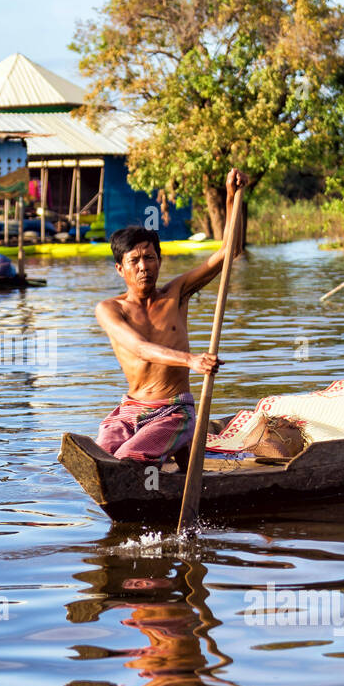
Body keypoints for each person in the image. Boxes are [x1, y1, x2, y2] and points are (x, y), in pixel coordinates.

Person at [93, 168, 247, 466]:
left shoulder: (176, 293)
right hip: (130, 409)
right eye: (134, 261)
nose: (143, 267)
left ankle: (161, 463)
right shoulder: (110, 309)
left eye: (149, 258)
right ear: (119, 268)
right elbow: (139, 349)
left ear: (159, 262)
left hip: (174, 409)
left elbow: (230, 251)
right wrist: (191, 360)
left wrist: (231, 198)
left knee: (128, 458)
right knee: (100, 457)